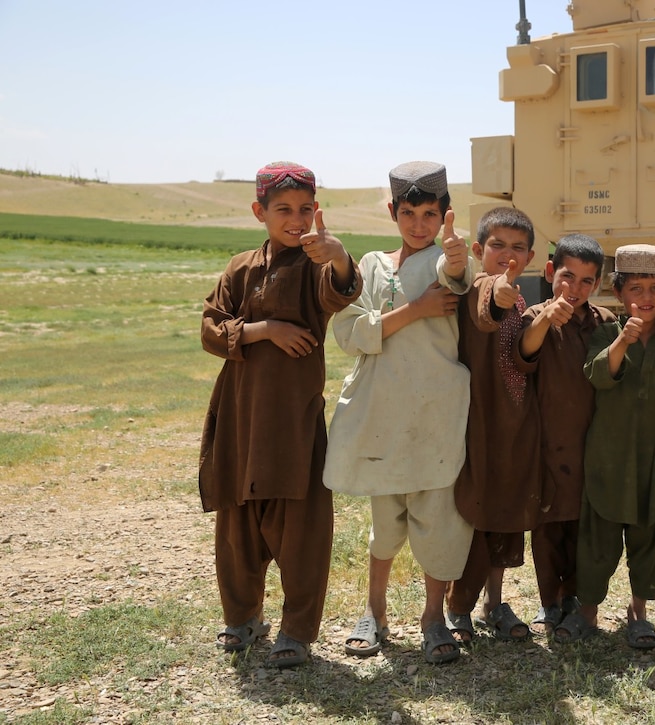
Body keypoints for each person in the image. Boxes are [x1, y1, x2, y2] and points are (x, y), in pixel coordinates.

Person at [199, 161, 361, 669]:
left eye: (305, 209)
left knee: (303, 530)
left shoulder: (316, 263)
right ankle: (242, 617)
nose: (296, 218)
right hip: (241, 419)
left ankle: (295, 630)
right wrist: (264, 328)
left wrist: (336, 257)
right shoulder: (240, 267)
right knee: (236, 526)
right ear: (259, 212)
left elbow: (340, 290)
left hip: (294, 423)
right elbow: (210, 328)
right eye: (283, 209)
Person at [323, 161, 476, 665]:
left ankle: (434, 618)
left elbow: (454, 277)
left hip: (435, 412)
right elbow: (351, 334)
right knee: (385, 522)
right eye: (408, 213)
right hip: (384, 411)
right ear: (393, 211)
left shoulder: (445, 259)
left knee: (439, 517)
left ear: (443, 216)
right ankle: (375, 611)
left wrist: (454, 257)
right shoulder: (370, 265)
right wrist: (414, 310)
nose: (418, 224)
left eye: (429, 214)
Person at [554, 244, 655, 648]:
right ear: (618, 292)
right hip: (608, 458)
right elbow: (597, 376)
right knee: (598, 539)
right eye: (635, 288)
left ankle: (639, 612)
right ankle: (588, 612)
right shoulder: (604, 332)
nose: (645, 298)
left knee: (650, 538)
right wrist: (622, 342)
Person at [445, 206, 542, 643]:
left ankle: (495, 601)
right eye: (497, 246)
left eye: (518, 248)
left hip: (515, 420)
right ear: (478, 250)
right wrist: (500, 291)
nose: (508, 256)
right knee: (476, 510)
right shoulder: (477, 287)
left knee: (506, 510)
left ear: (532, 255)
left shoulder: (522, 297)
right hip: (479, 420)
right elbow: (488, 307)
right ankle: (458, 607)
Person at [516, 234, 616, 635]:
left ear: (598, 285)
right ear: (549, 272)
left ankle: (575, 596)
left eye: (586, 282)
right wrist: (547, 318)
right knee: (548, 526)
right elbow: (525, 350)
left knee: (582, 527)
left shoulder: (605, 322)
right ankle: (548, 600)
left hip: (589, 443)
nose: (573, 290)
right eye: (567, 277)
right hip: (546, 442)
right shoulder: (536, 316)